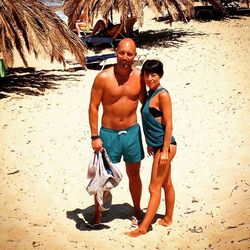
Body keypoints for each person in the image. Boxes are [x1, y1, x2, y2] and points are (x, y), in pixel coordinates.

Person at [88, 38, 146, 226]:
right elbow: (93, 107)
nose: (125, 57)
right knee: (103, 176)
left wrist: (158, 135)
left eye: (129, 54)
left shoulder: (139, 77)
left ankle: (137, 209)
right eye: (122, 53)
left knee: (134, 174)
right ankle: (98, 213)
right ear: (115, 52)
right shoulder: (103, 77)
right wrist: (94, 136)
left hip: (131, 133)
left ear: (134, 55)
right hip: (108, 134)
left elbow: (147, 106)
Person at [125, 59, 177, 237]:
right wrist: (150, 144)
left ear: (160, 75)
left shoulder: (163, 95)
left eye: (153, 74)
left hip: (166, 146)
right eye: (146, 75)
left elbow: (169, 125)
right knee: (166, 183)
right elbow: (153, 121)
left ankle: (143, 228)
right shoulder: (149, 95)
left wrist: (163, 152)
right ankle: (168, 218)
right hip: (157, 146)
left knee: (153, 188)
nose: (149, 78)